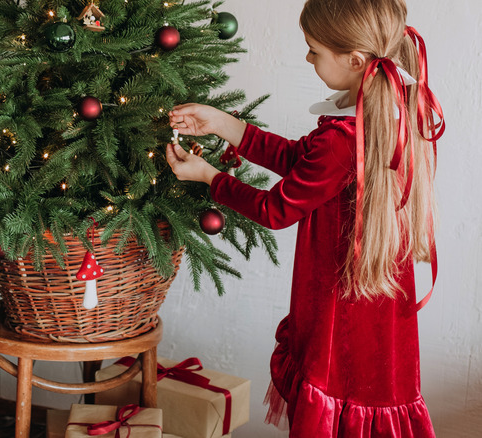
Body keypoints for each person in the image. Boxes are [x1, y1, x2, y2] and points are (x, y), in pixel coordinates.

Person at [166, 0, 444, 436]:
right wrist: (222, 123)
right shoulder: (382, 115)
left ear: (354, 61)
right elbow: (302, 161)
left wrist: (210, 177)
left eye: (314, 50)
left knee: (339, 398)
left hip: (342, 310)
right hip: (373, 306)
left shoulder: (342, 139)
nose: (308, 57)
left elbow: (275, 210)